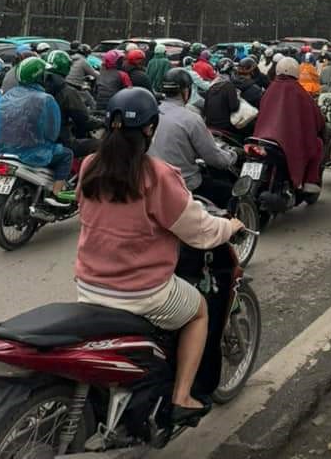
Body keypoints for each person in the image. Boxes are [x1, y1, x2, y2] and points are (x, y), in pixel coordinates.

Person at [76, 87, 244, 425]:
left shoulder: (91, 165)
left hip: (88, 286)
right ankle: (182, 395)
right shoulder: (158, 175)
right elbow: (200, 232)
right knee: (198, 310)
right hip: (142, 293)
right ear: (151, 129)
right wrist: (231, 226)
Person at [0, 56, 72, 205]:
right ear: (41, 77)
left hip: (1, 151)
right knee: (67, 154)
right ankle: (56, 194)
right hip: (32, 153)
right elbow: (52, 134)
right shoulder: (46, 99)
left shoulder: (6, 97)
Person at [151, 69, 239, 206]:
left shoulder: (152, 114)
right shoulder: (191, 119)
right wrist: (233, 156)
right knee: (231, 193)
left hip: (155, 183)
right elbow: (215, 158)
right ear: (186, 91)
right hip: (186, 184)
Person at [253, 57, 326, 192]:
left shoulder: (270, 89)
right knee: (317, 145)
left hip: (261, 137)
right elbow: (316, 117)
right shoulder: (299, 92)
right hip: (286, 142)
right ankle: (309, 180)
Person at [43, 50, 100, 158]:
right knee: (100, 145)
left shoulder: (37, 86)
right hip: (60, 142)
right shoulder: (67, 92)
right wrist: (101, 123)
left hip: (36, 141)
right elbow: (84, 120)